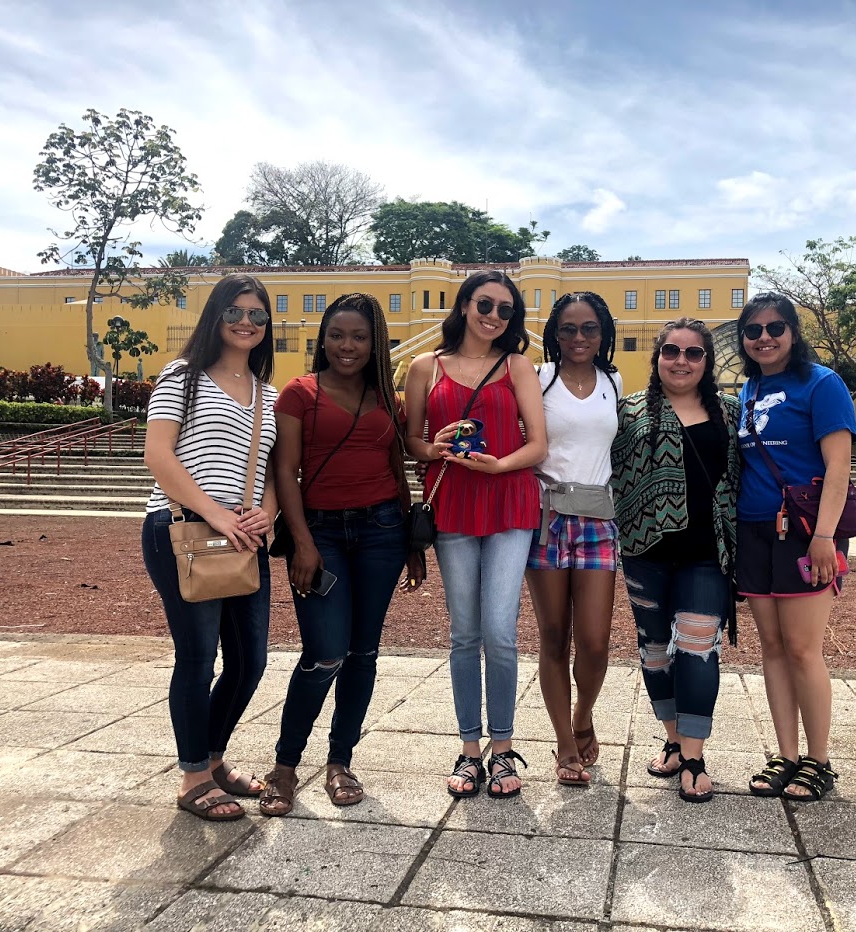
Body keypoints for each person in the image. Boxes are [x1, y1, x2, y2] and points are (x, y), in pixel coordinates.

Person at [258, 293, 425, 816]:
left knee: (363, 653)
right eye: (336, 335)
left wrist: (413, 545)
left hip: (382, 531)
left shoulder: (386, 399)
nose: (346, 346)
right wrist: (303, 543)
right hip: (322, 534)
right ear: (322, 339)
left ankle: (339, 761)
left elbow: (398, 470)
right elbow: (285, 472)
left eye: (358, 336)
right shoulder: (299, 393)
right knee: (324, 652)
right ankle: (285, 766)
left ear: (375, 342)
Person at [405, 270, 547, 799]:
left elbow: (539, 445)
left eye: (506, 309)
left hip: (508, 499)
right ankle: (470, 751)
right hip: (454, 506)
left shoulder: (517, 367)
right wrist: (433, 447)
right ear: (464, 304)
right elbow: (413, 442)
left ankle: (504, 748)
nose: (493, 315)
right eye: (484, 303)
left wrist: (498, 465)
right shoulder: (425, 366)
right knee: (464, 633)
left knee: (499, 631)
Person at [141, 273, 278, 821]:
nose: (246, 323)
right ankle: (193, 775)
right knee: (198, 658)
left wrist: (263, 509)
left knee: (250, 660)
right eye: (235, 312)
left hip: (243, 538)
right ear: (215, 317)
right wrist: (218, 512)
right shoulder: (183, 377)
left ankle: (214, 757)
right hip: (183, 532)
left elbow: (267, 466)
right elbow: (159, 456)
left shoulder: (267, 393)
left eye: (257, 315)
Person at [734, 292, 856, 803]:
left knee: (805, 649)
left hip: (805, 532)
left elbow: (839, 467)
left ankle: (819, 760)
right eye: (754, 329)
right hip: (754, 528)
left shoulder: (821, 383)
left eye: (776, 328)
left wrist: (825, 536)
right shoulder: (749, 388)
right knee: (773, 648)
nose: (765, 337)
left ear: (793, 332)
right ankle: (786, 754)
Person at [611, 318, 740, 803]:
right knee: (656, 652)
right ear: (657, 358)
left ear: (706, 362)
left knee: (699, 648)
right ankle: (671, 737)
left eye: (693, 353)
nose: (681, 361)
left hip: (707, 554)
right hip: (644, 552)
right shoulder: (629, 413)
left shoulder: (730, 411)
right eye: (671, 351)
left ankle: (693, 754)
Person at [528, 292, 622, 786]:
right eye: (568, 329)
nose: (579, 338)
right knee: (552, 636)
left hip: (597, 520)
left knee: (595, 641)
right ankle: (564, 742)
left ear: (603, 332)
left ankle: (583, 714)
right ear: (554, 334)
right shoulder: (538, 378)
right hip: (546, 516)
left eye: (589, 328)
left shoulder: (613, 380)